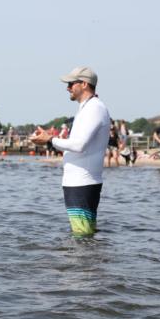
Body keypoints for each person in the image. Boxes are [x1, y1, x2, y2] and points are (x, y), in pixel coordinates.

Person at [30, 67, 111, 236]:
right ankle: (94, 254)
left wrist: (50, 139)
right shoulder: (87, 108)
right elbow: (76, 144)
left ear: (84, 84)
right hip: (78, 182)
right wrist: (49, 139)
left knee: (82, 236)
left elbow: (79, 145)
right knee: (85, 236)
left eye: (71, 83)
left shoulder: (94, 108)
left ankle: (89, 254)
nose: (67, 88)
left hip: (82, 183)